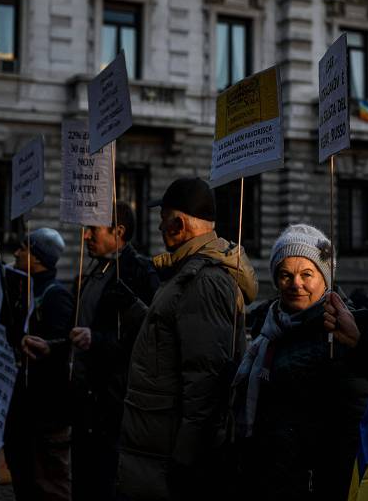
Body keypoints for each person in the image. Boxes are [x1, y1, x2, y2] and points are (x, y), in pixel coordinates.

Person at [117, 177, 257, 500]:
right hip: (158, 447)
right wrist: (138, 311)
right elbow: (175, 338)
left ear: (179, 224)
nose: (158, 229)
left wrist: (187, 459)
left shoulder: (205, 280)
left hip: (170, 458)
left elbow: (206, 380)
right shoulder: (189, 271)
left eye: (163, 221)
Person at [234, 224, 368, 500]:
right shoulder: (264, 325)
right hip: (268, 476)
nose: (296, 284)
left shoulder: (348, 327)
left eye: (307, 274)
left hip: (321, 481)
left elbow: (363, 401)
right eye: (286, 275)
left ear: (325, 278)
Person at [69, 201, 159, 501]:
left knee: (105, 483)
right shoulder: (96, 270)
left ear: (117, 231)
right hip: (86, 400)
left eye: (92, 229)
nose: (86, 237)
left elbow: (148, 339)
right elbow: (81, 327)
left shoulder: (139, 271)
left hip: (114, 402)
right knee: (83, 480)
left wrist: (97, 340)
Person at [4, 228, 75, 501]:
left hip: (46, 411)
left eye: (23, 248)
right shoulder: (25, 290)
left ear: (37, 257)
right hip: (24, 409)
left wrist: (42, 347)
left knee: (49, 485)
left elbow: (61, 349)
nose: (17, 253)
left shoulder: (56, 297)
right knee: (24, 477)